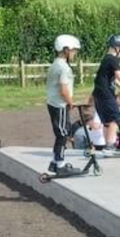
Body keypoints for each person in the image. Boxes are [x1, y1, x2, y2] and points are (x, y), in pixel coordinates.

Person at [92, 34, 120, 152]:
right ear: (117, 48)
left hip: (100, 94)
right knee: (115, 119)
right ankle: (110, 147)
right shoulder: (112, 59)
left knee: (109, 122)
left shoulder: (106, 59)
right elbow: (118, 75)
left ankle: (108, 145)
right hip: (105, 95)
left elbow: (112, 79)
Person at [45, 34, 80, 175]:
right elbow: (64, 90)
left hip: (53, 103)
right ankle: (60, 165)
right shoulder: (64, 68)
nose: (74, 54)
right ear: (66, 50)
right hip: (60, 105)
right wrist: (71, 102)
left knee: (62, 133)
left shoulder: (55, 64)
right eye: (73, 51)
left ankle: (54, 163)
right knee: (63, 134)